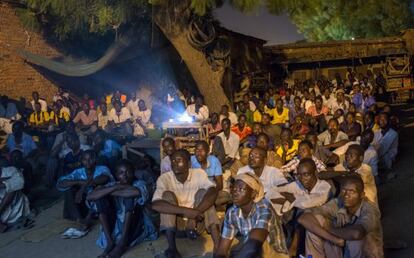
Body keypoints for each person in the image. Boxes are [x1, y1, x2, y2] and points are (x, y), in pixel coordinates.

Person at [152, 149, 220, 258]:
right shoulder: (164, 178)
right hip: (176, 226)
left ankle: (218, 247)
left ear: (188, 163)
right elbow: (155, 204)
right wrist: (187, 212)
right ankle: (172, 249)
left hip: (197, 224)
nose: (174, 163)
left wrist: (193, 218)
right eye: (172, 161)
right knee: (167, 196)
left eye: (178, 160)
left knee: (204, 192)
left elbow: (213, 192)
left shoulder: (199, 173)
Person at [298, 176, 383, 258]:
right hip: (340, 249)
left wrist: (329, 229)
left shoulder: (370, 209)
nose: (346, 195)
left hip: (364, 253)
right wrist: (335, 239)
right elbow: (303, 218)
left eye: (352, 191)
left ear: (362, 195)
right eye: (344, 190)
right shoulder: (339, 202)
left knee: (355, 241)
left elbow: (357, 234)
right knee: (316, 223)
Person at [87, 159, 157, 258]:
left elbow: (135, 192)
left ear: (133, 173)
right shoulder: (112, 185)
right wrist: (115, 188)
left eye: (128, 172)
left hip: (135, 226)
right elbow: (90, 196)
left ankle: (122, 242)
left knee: (129, 198)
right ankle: (109, 241)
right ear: (116, 175)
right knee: (99, 199)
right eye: (121, 173)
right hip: (116, 226)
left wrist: (108, 192)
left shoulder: (139, 184)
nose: (124, 176)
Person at [214, 173, 288, 258]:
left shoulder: (264, 209)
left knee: (257, 248)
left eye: (241, 189)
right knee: (234, 251)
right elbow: (222, 249)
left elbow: (253, 245)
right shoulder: (232, 212)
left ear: (253, 193)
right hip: (253, 251)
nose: (235, 192)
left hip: (275, 254)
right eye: (234, 188)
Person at [56, 150, 114, 225]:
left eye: (90, 159)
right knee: (70, 189)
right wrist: (78, 182)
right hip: (84, 205)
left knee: (99, 188)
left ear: (95, 159)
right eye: (85, 159)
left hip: (102, 205)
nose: (88, 162)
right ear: (82, 161)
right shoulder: (79, 172)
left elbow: (101, 179)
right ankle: (77, 217)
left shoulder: (102, 168)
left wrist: (82, 189)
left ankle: (88, 219)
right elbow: (61, 183)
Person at [191, 141, 230, 206]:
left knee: (225, 196)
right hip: (196, 190)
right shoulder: (191, 160)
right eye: (197, 150)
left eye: (202, 150)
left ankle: (205, 203)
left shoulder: (214, 161)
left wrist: (210, 194)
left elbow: (220, 185)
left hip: (211, 189)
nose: (199, 153)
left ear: (208, 152)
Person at [0, 165, 30, 233]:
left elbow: (20, 182)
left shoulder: (11, 170)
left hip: (17, 208)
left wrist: (3, 183)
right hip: (3, 216)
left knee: (12, 188)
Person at [372, 112, 398, 179]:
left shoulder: (393, 133)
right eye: (381, 119)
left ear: (388, 121)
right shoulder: (377, 132)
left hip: (387, 158)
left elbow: (382, 149)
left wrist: (370, 154)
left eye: (385, 120)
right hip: (377, 154)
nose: (382, 122)